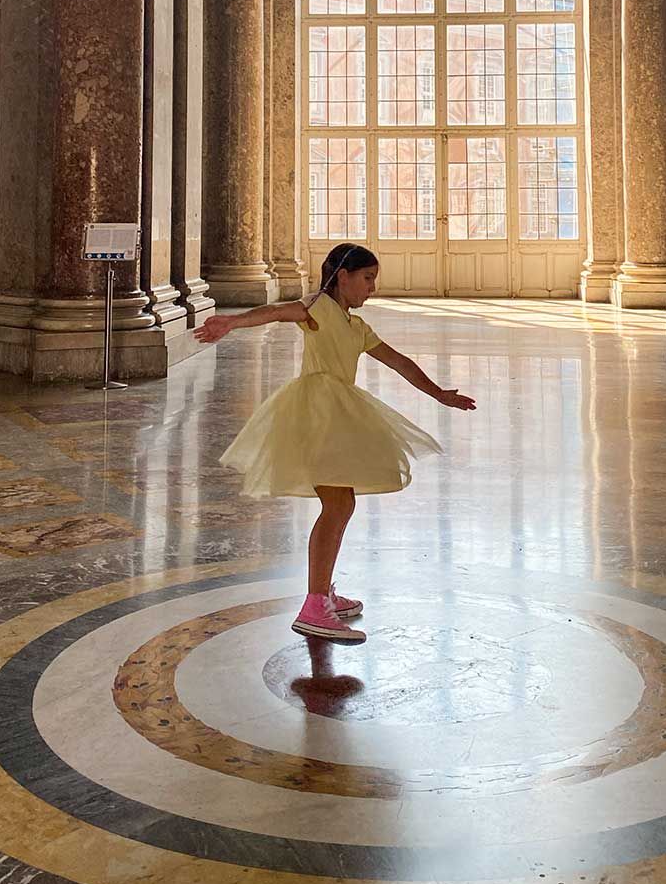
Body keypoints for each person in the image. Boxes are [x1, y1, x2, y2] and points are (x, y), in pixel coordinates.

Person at [193, 243, 476, 643]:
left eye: (374, 280)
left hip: (337, 412)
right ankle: (314, 606)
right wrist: (231, 323)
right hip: (318, 414)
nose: (372, 288)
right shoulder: (318, 308)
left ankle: (322, 592)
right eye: (367, 278)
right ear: (343, 276)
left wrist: (438, 394)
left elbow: (398, 361)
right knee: (338, 503)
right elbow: (276, 311)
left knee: (341, 503)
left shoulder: (355, 326)